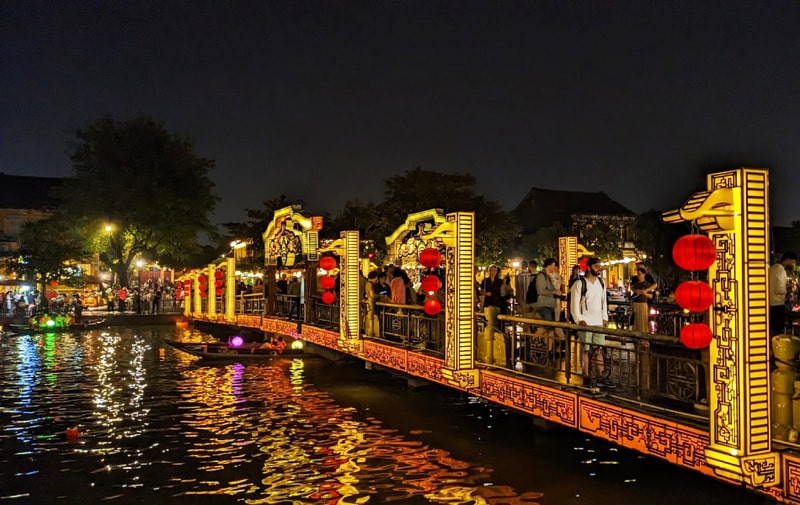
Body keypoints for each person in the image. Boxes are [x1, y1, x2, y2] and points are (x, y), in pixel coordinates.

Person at [570, 257, 608, 386]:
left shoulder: (601, 283)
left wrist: (604, 318)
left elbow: (604, 302)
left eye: (599, 266)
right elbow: (574, 304)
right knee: (586, 349)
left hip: (597, 321)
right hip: (585, 321)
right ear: (589, 267)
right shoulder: (580, 283)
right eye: (596, 266)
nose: (599, 269)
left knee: (598, 349)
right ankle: (586, 374)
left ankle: (600, 374)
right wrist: (579, 320)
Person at [770, 251, 797, 336]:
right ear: (788, 260)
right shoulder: (781, 270)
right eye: (792, 262)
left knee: (773, 328)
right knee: (778, 330)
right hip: (777, 304)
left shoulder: (773, 268)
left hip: (771, 303)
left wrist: (786, 285)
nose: (793, 265)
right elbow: (779, 290)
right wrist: (788, 289)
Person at [630, 262, 657, 333]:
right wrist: (636, 291)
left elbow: (654, 285)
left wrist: (645, 291)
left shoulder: (648, 278)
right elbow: (632, 287)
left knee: (645, 319)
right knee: (636, 320)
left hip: (645, 302)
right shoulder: (635, 279)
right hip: (636, 302)